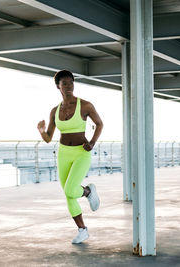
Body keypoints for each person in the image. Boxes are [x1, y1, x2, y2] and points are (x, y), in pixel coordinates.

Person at [37, 70, 104, 244]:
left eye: (71, 83)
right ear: (58, 86)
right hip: (63, 153)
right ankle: (82, 230)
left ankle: (88, 191)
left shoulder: (85, 105)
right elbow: (48, 138)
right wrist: (41, 130)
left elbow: (99, 124)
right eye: (64, 83)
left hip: (82, 152)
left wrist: (93, 142)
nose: (68, 86)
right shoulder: (54, 111)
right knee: (68, 195)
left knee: (69, 190)